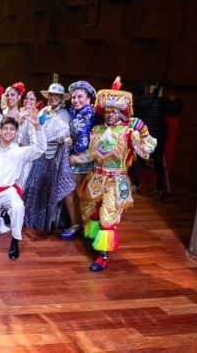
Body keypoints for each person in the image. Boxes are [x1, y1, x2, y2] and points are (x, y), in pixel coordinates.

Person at [71, 78, 157, 272]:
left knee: (107, 216)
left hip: (117, 181)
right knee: (92, 211)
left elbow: (147, 149)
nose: (110, 114)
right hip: (96, 178)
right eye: (107, 111)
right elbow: (90, 155)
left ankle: (103, 255)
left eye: (114, 111)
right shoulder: (97, 130)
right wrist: (71, 159)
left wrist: (143, 131)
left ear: (121, 112)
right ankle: (94, 239)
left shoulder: (128, 132)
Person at [0, 111, 45, 260]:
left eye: (12, 129)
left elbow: (40, 149)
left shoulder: (20, 151)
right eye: (5, 128)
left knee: (18, 207)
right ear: (0, 130)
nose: (8, 132)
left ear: (16, 132)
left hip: (9, 191)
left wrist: (37, 126)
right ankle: (1, 221)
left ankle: (15, 241)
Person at [23, 83, 75, 233]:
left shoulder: (63, 114)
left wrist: (64, 138)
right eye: (51, 95)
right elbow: (35, 128)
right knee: (34, 185)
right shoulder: (43, 111)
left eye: (56, 96)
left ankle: (49, 221)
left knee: (50, 187)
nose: (53, 98)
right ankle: (32, 218)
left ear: (61, 98)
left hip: (54, 155)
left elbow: (63, 132)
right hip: (40, 152)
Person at [129, 82, 183, 197]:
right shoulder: (160, 101)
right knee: (158, 162)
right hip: (157, 136)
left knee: (139, 161)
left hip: (142, 135)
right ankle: (159, 189)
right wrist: (174, 100)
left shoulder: (137, 103)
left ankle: (135, 185)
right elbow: (176, 110)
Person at [66, 80, 97, 239]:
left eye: (80, 97)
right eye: (73, 97)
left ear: (89, 98)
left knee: (71, 192)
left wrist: (74, 156)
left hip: (84, 161)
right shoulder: (75, 112)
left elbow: (88, 142)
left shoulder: (91, 114)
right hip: (75, 158)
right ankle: (78, 223)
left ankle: (77, 225)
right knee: (73, 193)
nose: (76, 100)